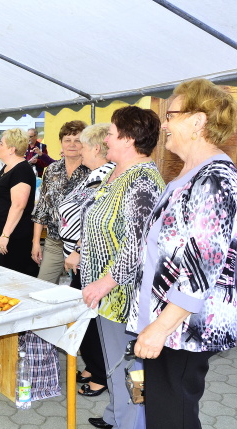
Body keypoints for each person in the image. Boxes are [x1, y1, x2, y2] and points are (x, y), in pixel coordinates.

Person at [126, 79, 237, 429]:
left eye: (170, 115)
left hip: (183, 328)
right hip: (169, 322)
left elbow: (202, 267)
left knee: (173, 417)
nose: (164, 125)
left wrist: (160, 328)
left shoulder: (215, 178)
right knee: (163, 412)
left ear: (198, 121)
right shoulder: (190, 173)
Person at [78, 106, 165, 429]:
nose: (106, 140)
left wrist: (106, 282)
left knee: (131, 368)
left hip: (124, 295)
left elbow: (138, 243)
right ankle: (116, 415)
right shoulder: (118, 172)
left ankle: (133, 423)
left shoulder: (142, 180)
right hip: (106, 294)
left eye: (112, 134)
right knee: (115, 363)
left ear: (128, 139)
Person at [61, 124, 115, 399]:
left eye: (82, 145)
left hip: (90, 259)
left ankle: (100, 374)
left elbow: (95, 218)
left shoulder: (107, 174)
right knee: (86, 317)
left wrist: (79, 250)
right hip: (80, 258)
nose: (78, 150)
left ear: (96, 148)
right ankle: (93, 367)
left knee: (90, 318)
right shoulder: (94, 173)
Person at [31, 121, 90, 284]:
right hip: (54, 241)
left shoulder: (93, 171)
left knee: (81, 290)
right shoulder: (52, 170)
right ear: (61, 143)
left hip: (82, 244)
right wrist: (36, 242)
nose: (72, 144)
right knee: (43, 284)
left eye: (77, 140)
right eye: (67, 140)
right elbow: (42, 207)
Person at [0, 128, 38, 276]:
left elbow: (18, 206)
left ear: (12, 149)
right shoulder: (8, 166)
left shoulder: (22, 170)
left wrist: (5, 235)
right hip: (4, 235)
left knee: (16, 276)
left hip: (15, 236)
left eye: (1, 144)